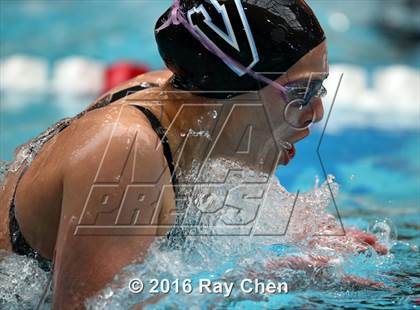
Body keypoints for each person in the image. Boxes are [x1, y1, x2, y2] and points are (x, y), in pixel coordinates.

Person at [0, 0, 385, 308]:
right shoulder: (125, 149)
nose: (316, 112)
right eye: (302, 93)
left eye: (320, 90)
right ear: (231, 90)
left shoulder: (182, 107)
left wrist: (307, 233)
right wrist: (264, 279)